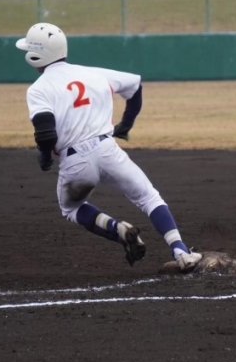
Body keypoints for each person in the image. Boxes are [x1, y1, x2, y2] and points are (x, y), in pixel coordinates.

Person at [16, 22, 202, 271]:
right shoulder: (94, 73)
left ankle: (116, 228)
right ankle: (181, 250)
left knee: (72, 208)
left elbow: (45, 130)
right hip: (108, 151)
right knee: (148, 197)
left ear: (36, 54)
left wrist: (45, 156)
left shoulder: (38, 89)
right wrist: (125, 124)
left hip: (76, 162)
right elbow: (135, 85)